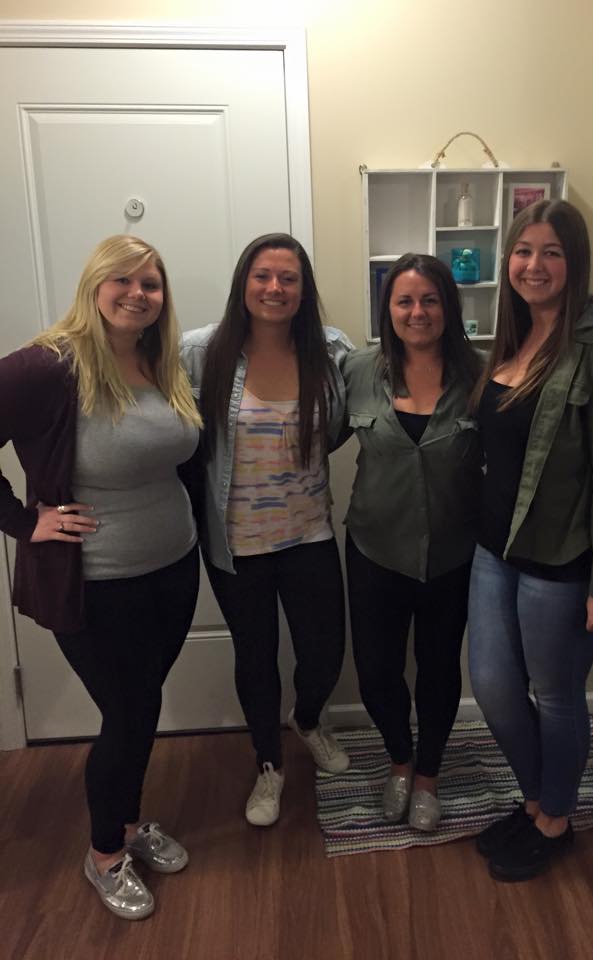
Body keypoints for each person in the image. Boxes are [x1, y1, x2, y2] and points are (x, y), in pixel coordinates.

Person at [0, 235, 202, 920]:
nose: (137, 294)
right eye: (123, 279)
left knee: (140, 708)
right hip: (97, 584)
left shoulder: (158, 361)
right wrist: (24, 522)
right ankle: (105, 852)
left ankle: (129, 821)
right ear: (94, 284)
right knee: (128, 714)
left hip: (173, 569)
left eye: (151, 283)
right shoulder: (47, 366)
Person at [468, 199, 593, 881]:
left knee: (556, 694)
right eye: (523, 251)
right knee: (493, 688)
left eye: (551, 252)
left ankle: (554, 819)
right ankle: (535, 798)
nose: (533, 265)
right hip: (495, 550)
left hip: (560, 561)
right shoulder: (512, 335)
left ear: (575, 261)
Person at [180, 233, 351, 828]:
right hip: (236, 544)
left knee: (324, 652)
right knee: (255, 658)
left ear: (304, 290)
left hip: (309, 533)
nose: (275, 288)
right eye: (263, 276)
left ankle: (308, 719)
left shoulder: (330, 352)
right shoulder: (199, 352)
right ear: (244, 283)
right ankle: (269, 763)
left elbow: (343, 426)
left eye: (288, 278)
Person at [342, 253, 482, 831]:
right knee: (376, 670)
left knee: (439, 668)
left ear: (449, 307)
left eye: (430, 300)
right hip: (375, 548)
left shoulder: (482, 377)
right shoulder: (357, 370)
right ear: (388, 309)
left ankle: (428, 776)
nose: (417, 312)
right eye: (404, 301)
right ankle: (400, 761)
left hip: (454, 553)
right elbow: (311, 437)